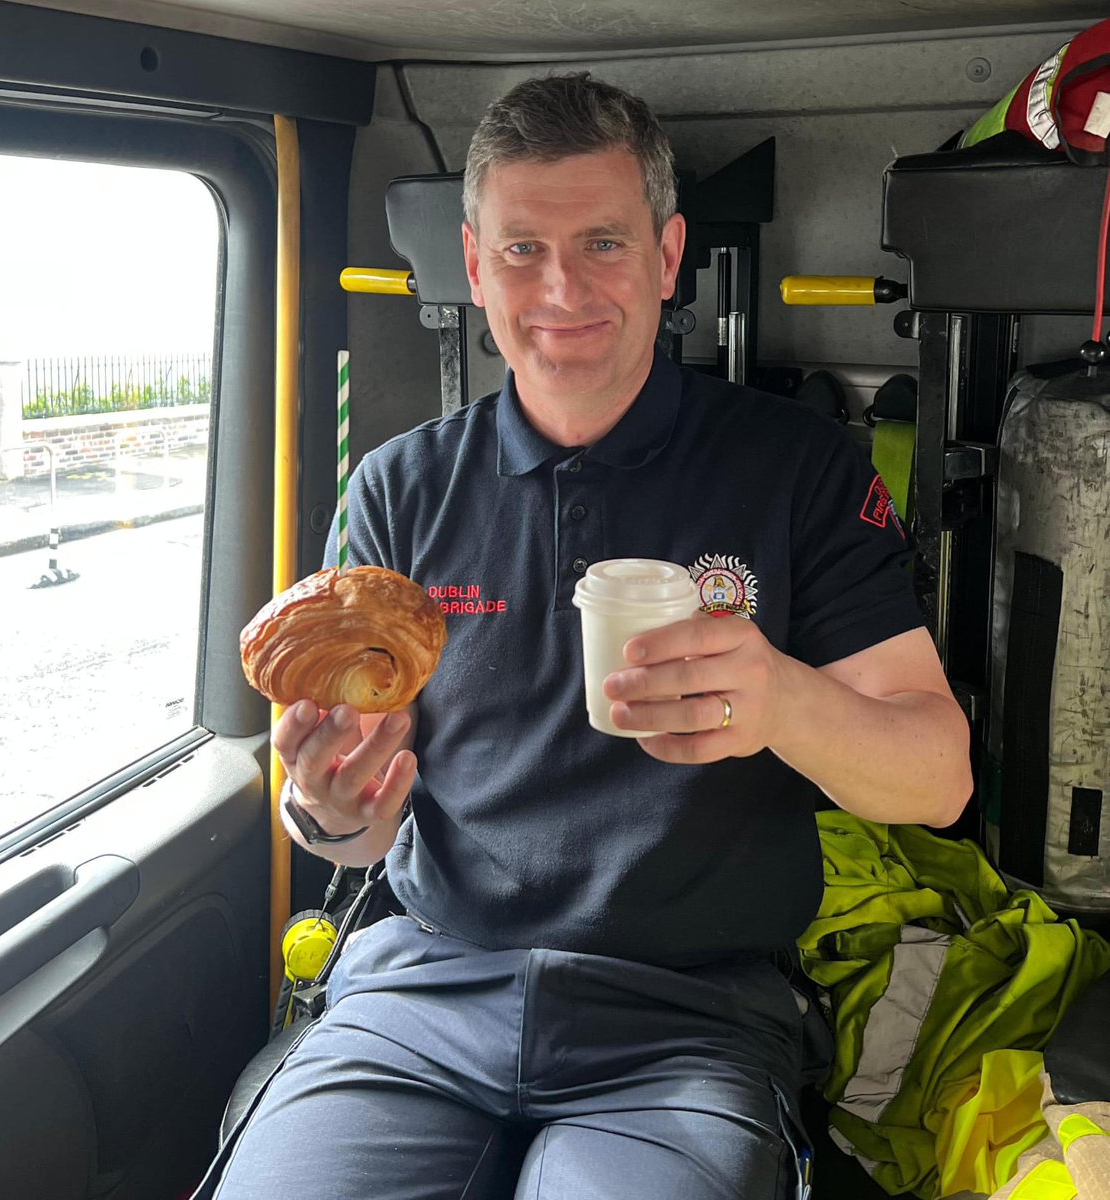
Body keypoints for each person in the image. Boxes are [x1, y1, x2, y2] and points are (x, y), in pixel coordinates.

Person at [199, 73, 971, 1199]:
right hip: (422, 991)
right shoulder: (399, 487)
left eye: (603, 242)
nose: (560, 288)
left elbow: (937, 778)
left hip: (689, 1012)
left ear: (667, 258)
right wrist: (327, 809)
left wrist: (780, 699)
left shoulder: (796, 466)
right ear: (473, 265)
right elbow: (353, 831)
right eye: (521, 250)